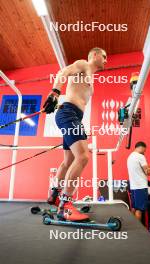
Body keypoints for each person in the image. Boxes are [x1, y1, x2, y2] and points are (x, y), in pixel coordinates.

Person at [43, 47, 107, 221]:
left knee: (68, 161)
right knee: (83, 157)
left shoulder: (89, 76)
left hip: (74, 116)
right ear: (94, 55)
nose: (106, 60)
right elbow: (62, 72)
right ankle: (66, 205)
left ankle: (55, 195)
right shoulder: (83, 64)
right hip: (68, 113)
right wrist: (55, 92)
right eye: (104, 56)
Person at [127, 141, 150, 221]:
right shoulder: (140, 156)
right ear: (141, 147)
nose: (144, 152)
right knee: (139, 210)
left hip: (133, 187)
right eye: (144, 150)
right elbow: (147, 172)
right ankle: (138, 230)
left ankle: (132, 227)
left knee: (134, 208)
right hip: (141, 187)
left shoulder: (130, 156)